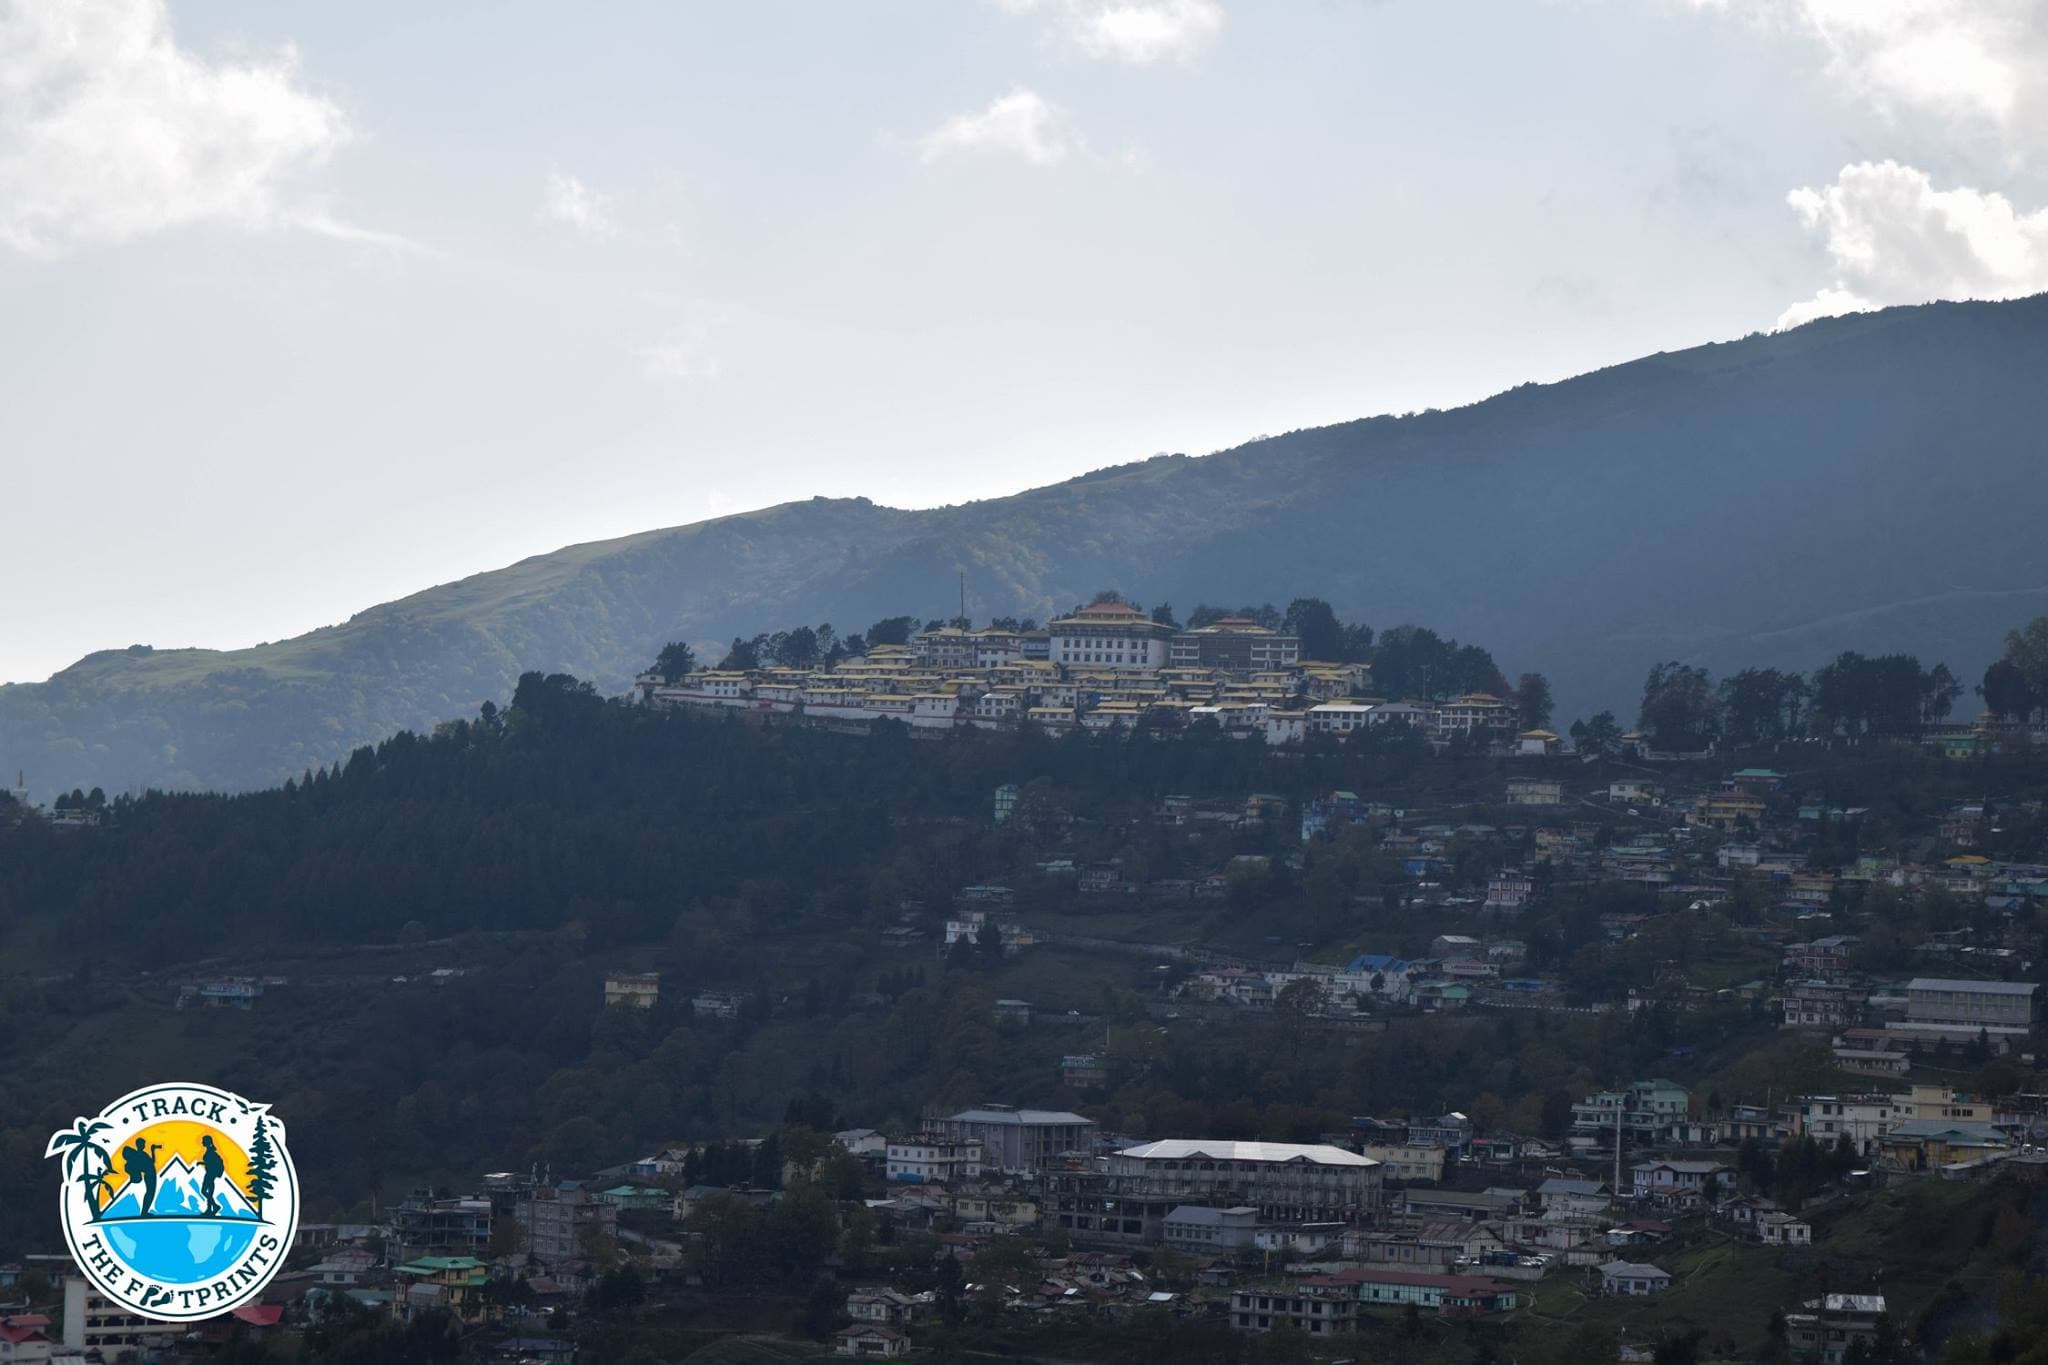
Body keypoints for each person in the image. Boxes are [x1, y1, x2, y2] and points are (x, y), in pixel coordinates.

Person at [121, 1138, 160, 1217]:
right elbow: (150, 1163)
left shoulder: (142, 1154)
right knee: (150, 1193)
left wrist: (152, 1150)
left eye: (144, 1144)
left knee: (150, 1193)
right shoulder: (140, 1154)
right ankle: (144, 1212)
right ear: (139, 1145)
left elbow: (151, 1162)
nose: (144, 1145)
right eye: (143, 1144)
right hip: (150, 1175)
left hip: (151, 1174)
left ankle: (144, 1212)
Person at [199, 1135, 226, 1216]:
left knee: (204, 1191)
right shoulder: (210, 1151)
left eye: (203, 1141)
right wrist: (202, 1163)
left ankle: (214, 1206)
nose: (202, 1142)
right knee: (209, 1193)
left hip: (210, 1174)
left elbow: (211, 1163)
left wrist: (204, 1163)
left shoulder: (210, 1152)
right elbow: (210, 1162)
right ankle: (210, 1209)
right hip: (211, 1174)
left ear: (207, 1142)